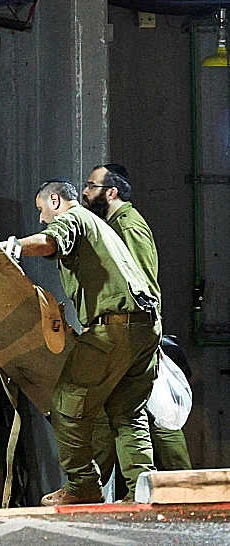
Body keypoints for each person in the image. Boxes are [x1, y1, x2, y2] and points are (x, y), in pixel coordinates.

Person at [13, 178, 162, 506]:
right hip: (144, 327)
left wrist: (15, 247)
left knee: (67, 407)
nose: (41, 217)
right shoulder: (102, 227)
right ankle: (142, 493)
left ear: (54, 200)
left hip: (114, 329)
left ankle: (82, 486)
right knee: (128, 414)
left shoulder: (74, 217)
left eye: (41, 209)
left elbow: (50, 241)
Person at [82, 164, 191, 490]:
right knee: (121, 416)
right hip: (122, 335)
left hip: (132, 334)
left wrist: (143, 335)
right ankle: (93, 490)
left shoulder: (127, 226)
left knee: (148, 417)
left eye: (91, 185)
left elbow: (144, 284)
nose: (85, 192)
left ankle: (182, 489)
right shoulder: (113, 225)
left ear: (111, 192)